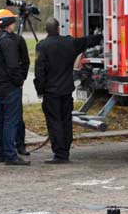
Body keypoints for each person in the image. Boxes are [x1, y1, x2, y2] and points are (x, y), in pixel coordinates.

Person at [34, 17, 102, 163]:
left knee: (54, 122)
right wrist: (102, 35)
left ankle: (59, 154)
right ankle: (65, 151)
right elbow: (87, 41)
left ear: (46, 30)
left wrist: (40, 90)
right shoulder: (69, 43)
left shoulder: (42, 46)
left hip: (51, 92)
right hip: (66, 90)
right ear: (59, 28)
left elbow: (39, 71)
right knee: (66, 121)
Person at [0, 9, 30, 166]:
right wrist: (19, 81)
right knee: (10, 120)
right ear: (9, 24)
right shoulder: (9, 42)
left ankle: (0, 152)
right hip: (9, 88)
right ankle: (10, 155)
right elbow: (14, 66)